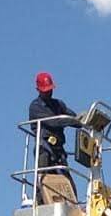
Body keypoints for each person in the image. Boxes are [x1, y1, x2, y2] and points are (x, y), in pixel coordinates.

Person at [29, 72, 82, 205]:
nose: (48, 93)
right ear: (38, 90)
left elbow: (73, 117)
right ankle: (39, 203)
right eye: (45, 91)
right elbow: (53, 122)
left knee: (68, 182)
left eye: (50, 90)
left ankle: (73, 205)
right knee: (43, 177)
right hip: (45, 147)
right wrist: (69, 120)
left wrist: (82, 120)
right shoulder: (36, 107)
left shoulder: (58, 105)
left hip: (58, 150)